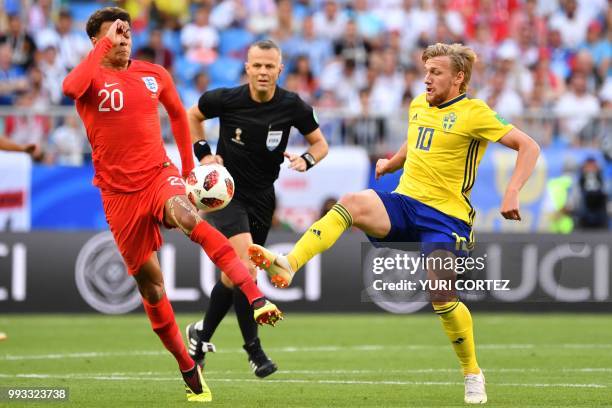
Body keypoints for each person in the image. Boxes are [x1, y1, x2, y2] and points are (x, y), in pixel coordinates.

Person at [249, 43, 540, 404]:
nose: (427, 78)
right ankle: (289, 263)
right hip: (404, 203)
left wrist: (511, 192)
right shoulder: (419, 104)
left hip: (445, 217)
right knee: (352, 202)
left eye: (436, 72)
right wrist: (393, 162)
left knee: (441, 296)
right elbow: (417, 139)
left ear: (458, 77)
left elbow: (529, 146)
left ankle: (472, 372)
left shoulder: (474, 113)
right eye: (426, 70)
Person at [62, 7, 282, 403]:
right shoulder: (90, 76)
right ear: (97, 41)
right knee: (151, 287)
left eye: (127, 31)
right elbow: (68, 88)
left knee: (189, 217)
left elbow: (179, 116)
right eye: (115, 33)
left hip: (158, 176)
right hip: (118, 195)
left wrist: (185, 170)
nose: (124, 37)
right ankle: (186, 365)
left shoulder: (154, 74)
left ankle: (255, 295)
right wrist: (103, 46)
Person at [185, 39, 328, 377]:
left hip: (264, 196)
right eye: (257, 65)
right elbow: (193, 116)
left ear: (280, 69)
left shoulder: (293, 106)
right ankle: (255, 351)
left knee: (232, 276)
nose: (263, 72)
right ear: (247, 67)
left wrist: (306, 160)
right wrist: (204, 156)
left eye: (270, 66)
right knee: (246, 268)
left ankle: (200, 335)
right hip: (226, 193)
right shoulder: (226, 98)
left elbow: (320, 144)